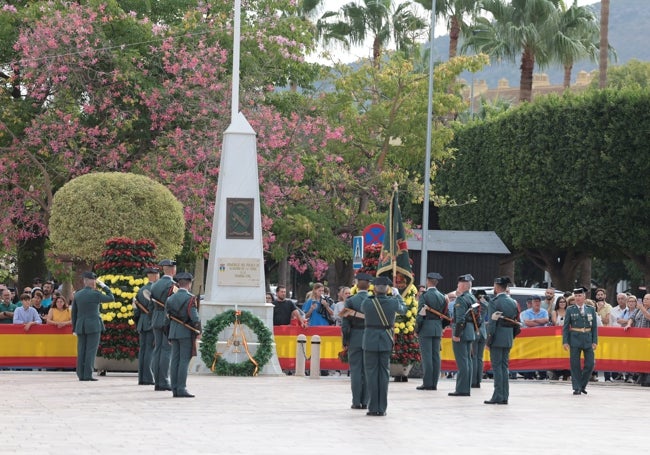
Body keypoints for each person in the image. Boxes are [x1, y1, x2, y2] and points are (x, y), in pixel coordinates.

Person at [361, 276, 406, 416]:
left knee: (371, 374)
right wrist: (397, 295)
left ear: (374, 288)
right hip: (386, 339)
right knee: (384, 375)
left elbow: (363, 309)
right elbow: (404, 309)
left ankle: (373, 407)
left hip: (370, 340)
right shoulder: (393, 302)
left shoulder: (367, 302)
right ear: (388, 289)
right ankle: (382, 408)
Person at [71, 271, 114, 381]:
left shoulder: (78, 294)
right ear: (91, 281)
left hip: (81, 326)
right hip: (93, 326)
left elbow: (74, 313)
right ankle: (88, 374)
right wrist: (104, 286)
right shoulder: (95, 294)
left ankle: (81, 374)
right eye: (94, 280)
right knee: (91, 350)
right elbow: (111, 297)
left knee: (81, 350)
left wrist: (74, 328)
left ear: (84, 281)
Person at [166, 272, 201, 398]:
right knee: (184, 361)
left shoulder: (170, 298)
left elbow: (168, 318)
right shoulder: (190, 298)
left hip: (173, 332)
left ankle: (174, 388)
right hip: (186, 333)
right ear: (189, 284)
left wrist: (168, 334)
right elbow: (194, 317)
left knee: (175, 360)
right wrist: (199, 330)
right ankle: (181, 388)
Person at [484, 276, 518, 405]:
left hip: (497, 337)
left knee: (497, 367)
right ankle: (504, 396)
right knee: (504, 367)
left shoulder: (494, 302)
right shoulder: (513, 302)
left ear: (497, 287)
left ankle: (498, 395)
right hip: (508, 336)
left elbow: (492, 323)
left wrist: (489, 340)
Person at [340, 273, 372, 410]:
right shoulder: (373, 300)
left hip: (355, 337)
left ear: (357, 285)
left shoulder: (351, 301)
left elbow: (345, 324)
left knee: (356, 370)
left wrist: (345, 340)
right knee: (367, 371)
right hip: (370, 336)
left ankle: (356, 401)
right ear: (369, 285)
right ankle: (365, 401)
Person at [562, 287, 598, 395]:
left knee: (590, 364)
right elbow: (566, 326)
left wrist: (595, 340)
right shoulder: (570, 309)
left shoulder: (591, 309)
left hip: (587, 338)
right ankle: (576, 387)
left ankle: (582, 384)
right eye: (576, 296)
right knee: (575, 364)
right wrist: (565, 341)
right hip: (575, 338)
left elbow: (594, 327)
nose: (577, 298)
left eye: (580, 296)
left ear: (584, 297)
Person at [415, 272, 447, 391]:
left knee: (427, 356)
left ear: (428, 281)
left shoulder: (425, 295)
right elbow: (445, 314)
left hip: (426, 327)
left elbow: (420, 314)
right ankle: (434, 383)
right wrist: (441, 327)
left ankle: (427, 383)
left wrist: (417, 328)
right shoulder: (442, 296)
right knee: (435, 356)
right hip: (437, 327)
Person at [449, 274, 478, 397]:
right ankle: (467, 387)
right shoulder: (472, 298)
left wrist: (457, 334)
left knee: (462, 362)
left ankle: (462, 389)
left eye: (458, 284)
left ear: (463, 285)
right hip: (470, 331)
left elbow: (460, 319)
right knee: (468, 361)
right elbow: (478, 317)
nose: (457, 286)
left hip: (462, 332)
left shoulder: (461, 299)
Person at [149, 259, 177, 391]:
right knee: (166, 350)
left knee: (157, 349)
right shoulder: (173, 285)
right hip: (167, 320)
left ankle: (157, 381)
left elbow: (150, 306)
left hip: (156, 318)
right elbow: (174, 305)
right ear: (172, 270)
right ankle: (164, 380)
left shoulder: (155, 285)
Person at [133, 267, 159, 386]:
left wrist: (138, 322)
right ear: (154, 275)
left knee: (143, 350)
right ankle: (148, 377)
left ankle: (142, 377)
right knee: (150, 350)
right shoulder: (155, 290)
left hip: (142, 322)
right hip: (150, 322)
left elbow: (136, 310)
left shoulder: (141, 289)